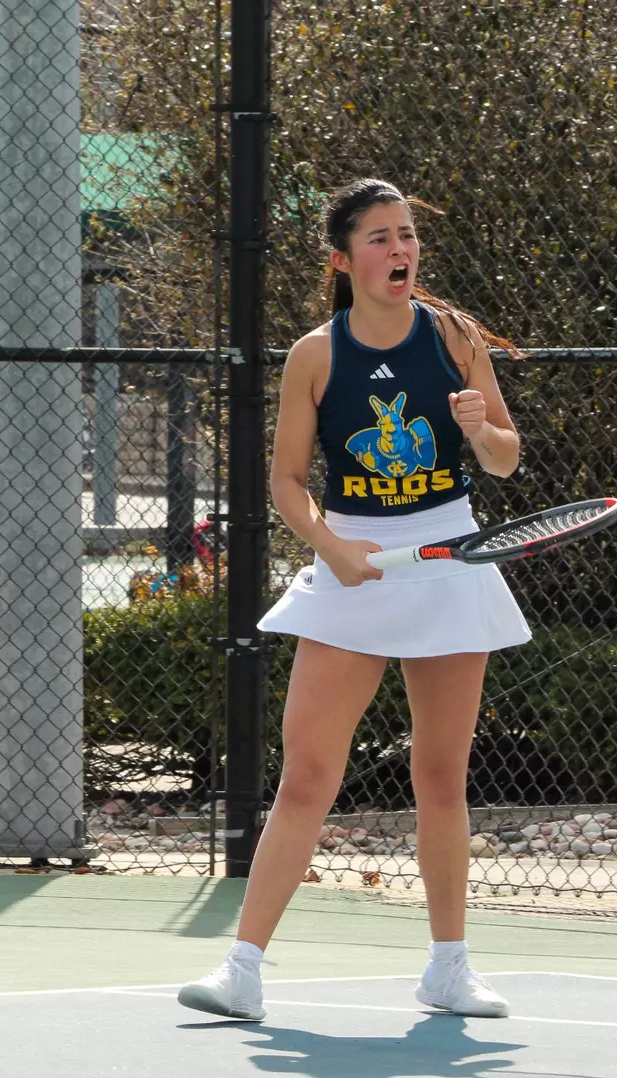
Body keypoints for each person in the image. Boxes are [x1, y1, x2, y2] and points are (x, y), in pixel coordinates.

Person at [178, 179, 531, 1022]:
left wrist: (480, 427)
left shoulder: (454, 337)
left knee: (442, 777)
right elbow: (286, 482)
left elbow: (506, 461)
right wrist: (332, 547)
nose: (399, 250)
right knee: (307, 776)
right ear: (343, 260)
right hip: (353, 559)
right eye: (378, 238)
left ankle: (449, 967)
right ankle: (242, 969)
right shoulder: (316, 354)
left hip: (448, 554)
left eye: (406, 234)